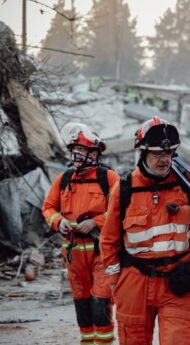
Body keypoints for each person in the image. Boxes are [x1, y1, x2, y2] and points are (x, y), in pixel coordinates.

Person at [99, 116, 190, 345]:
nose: (164, 160)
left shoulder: (188, 185)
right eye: (157, 154)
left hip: (178, 281)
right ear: (143, 153)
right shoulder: (125, 188)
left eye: (168, 154)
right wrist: (116, 283)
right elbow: (109, 240)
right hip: (134, 283)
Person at [43, 123, 119, 345]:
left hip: (101, 253)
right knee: (82, 305)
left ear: (94, 153)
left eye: (82, 150)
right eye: (74, 149)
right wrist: (59, 222)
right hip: (74, 253)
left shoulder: (109, 178)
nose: (76, 154)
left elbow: (120, 212)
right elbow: (48, 208)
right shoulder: (64, 179)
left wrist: (96, 222)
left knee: (100, 302)